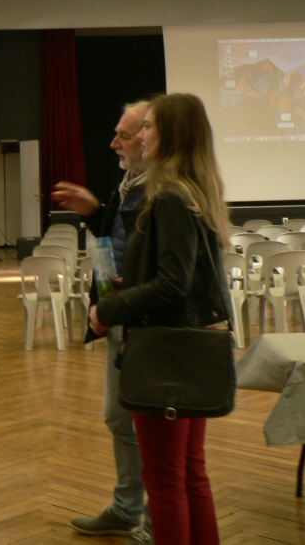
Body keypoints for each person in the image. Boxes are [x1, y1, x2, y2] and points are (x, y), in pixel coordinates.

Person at [89, 93, 231, 545]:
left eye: (148, 126)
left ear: (171, 134)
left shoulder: (169, 197)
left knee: (167, 481)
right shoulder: (195, 192)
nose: (140, 135)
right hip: (189, 344)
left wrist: (106, 310)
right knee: (190, 474)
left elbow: (173, 285)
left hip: (165, 348)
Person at [52, 100, 152, 544]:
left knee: (152, 430)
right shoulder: (131, 183)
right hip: (120, 321)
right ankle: (128, 508)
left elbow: (161, 273)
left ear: (151, 140)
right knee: (118, 419)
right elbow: (116, 244)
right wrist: (95, 212)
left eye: (125, 135)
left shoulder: (162, 193)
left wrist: (114, 308)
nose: (113, 143)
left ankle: (154, 518)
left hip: (147, 327)